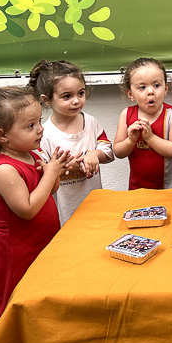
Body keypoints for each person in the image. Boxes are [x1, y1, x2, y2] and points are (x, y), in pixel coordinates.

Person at [0, 86, 71, 316]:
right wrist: (50, 174)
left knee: (42, 289)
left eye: (39, 121)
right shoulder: (4, 169)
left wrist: (53, 173)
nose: (40, 129)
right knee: (20, 298)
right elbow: (27, 209)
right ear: (1, 135)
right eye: (30, 126)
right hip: (17, 250)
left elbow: (50, 191)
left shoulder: (32, 154)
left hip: (40, 240)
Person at [29, 60, 114, 225]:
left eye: (80, 93)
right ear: (47, 100)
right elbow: (41, 172)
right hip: (65, 213)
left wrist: (95, 154)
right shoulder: (44, 134)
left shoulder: (91, 122)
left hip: (95, 207)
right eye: (67, 96)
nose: (76, 101)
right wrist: (65, 167)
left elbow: (108, 151)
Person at [113, 58, 172, 190]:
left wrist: (150, 138)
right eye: (142, 87)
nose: (150, 91)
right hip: (138, 190)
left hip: (170, 189)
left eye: (156, 85)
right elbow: (118, 152)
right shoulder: (126, 114)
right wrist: (131, 140)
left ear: (165, 89)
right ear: (130, 94)